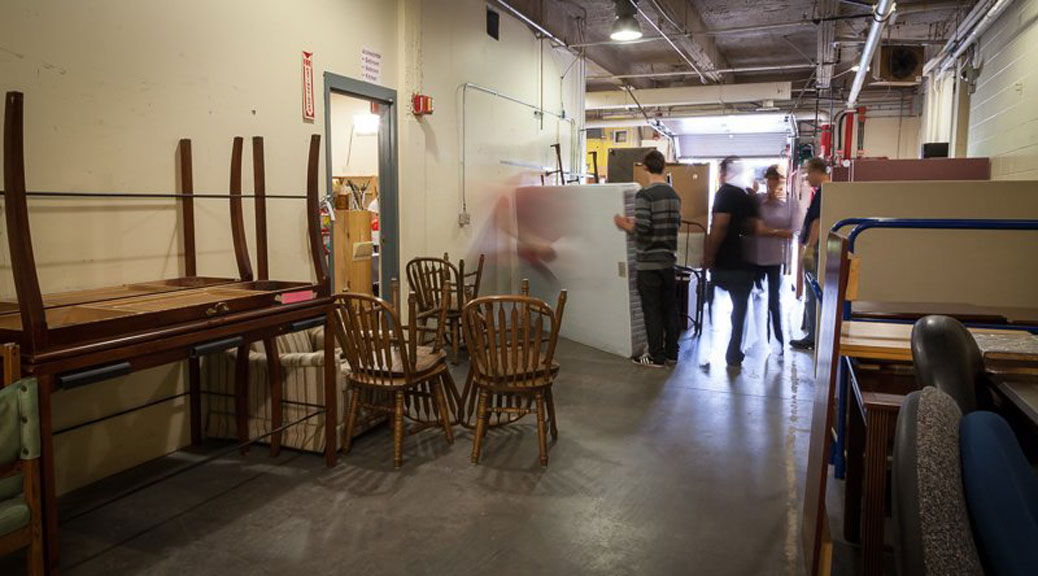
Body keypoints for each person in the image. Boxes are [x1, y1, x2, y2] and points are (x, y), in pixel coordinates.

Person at [705, 157, 792, 367]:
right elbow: (755, 227)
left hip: (726, 260)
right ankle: (734, 353)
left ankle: (707, 350)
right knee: (740, 309)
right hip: (746, 262)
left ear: (724, 173)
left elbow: (720, 226)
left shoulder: (725, 193)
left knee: (711, 305)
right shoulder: (749, 197)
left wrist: (709, 254)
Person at [614, 150, 681, 368]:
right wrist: (637, 220)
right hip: (668, 261)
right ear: (664, 166)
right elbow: (672, 223)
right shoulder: (674, 195)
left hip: (649, 263)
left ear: (644, 167)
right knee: (670, 309)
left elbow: (643, 229)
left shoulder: (644, 195)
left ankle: (656, 357)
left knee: (652, 310)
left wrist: (624, 224)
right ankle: (672, 354)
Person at [745, 165, 794, 349]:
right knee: (750, 300)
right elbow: (754, 228)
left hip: (775, 259)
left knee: (774, 301)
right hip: (755, 257)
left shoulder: (787, 204)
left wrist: (769, 231)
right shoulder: (757, 201)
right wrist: (776, 232)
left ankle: (778, 339)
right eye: (770, 179)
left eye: (776, 179)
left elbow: (790, 232)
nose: (773, 183)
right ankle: (754, 339)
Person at [790, 157, 830, 351]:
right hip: (817, 247)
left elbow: (817, 222)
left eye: (808, 173)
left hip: (817, 248)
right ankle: (812, 332)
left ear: (817, 171)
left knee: (812, 292)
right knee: (812, 292)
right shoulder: (824, 191)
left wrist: (811, 247)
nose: (806, 178)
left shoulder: (825, 192)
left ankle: (813, 336)